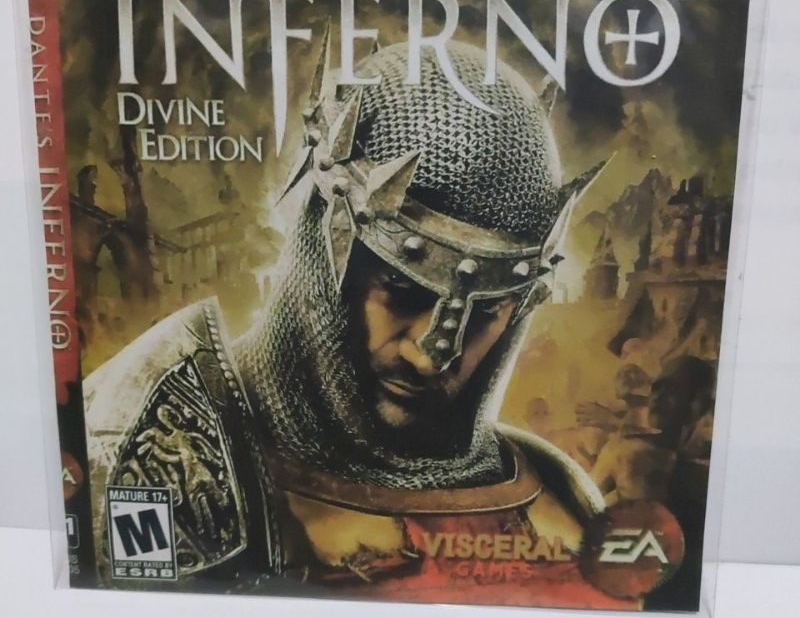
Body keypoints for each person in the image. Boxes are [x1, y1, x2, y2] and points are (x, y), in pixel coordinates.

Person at [84, 39, 671, 606]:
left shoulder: (557, 488)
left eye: (486, 310)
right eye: (402, 290)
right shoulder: (160, 453)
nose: (430, 355)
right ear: (323, 253)